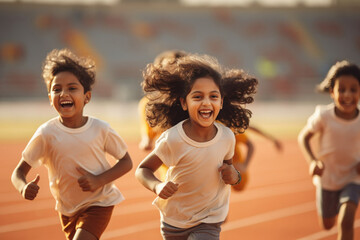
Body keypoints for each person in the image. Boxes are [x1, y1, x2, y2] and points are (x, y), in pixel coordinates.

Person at [11, 48, 133, 240]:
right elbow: (18, 173)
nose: (64, 93)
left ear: (87, 97)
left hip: (99, 202)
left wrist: (99, 180)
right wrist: (23, 187)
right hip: (67, 209)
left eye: (72, 88)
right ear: (50, 99)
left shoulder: (100, 129)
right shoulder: (46, 133)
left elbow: (126, 161)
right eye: (57, 89)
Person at [135, 53, 258, 239]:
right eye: (198, 96)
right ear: (184, 102)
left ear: (221, 101)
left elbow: (229, 171)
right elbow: (142, 170)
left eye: (213, 96)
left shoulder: (227, 137)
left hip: (209, 219)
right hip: (174, 221)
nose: (206, 102)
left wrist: (236, 176)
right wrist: (157, 187)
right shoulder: (173, 138)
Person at [298, 60, 360, 240]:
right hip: (327, 179)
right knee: (327, 224)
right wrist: (313, 162)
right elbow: (304, 137)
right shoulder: (324, 116)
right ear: (332, 92)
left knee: (346, 220)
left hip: (353, 178)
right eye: (342, 90)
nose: (347, 95)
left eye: (353, 89)